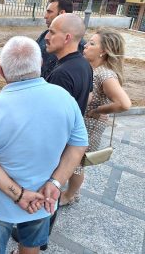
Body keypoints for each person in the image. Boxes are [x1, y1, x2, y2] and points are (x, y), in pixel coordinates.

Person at [0, 36, 88, 254]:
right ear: (41, 64)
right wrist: (55, 183)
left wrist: (19, 195)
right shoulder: (65, 99)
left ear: (1, 71)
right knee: (31, 247)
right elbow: (79, 145)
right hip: (44, 199)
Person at [60, 28, 131, 206]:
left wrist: (98, 110)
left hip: (90, 126)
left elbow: (124, 104)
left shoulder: (105, 74)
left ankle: (69, 195)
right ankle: (69, 192)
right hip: (82, 123)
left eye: (92, 44)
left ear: (103, 51)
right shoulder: (92, 68)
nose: (85, 46)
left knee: (76, 164)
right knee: (73, 161)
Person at [45, 13, 93, 116]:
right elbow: (88, 97)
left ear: (67, 38)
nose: (46, 37)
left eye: (52, 32)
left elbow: (53, 114)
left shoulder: (61, 74)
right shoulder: (85, 64)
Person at [37, 0, 85, 78]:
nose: (45, 16)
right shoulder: (44, 35)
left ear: (62, 13)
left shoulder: (78, 44)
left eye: (49, 12)